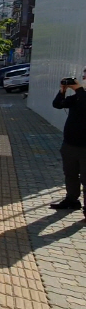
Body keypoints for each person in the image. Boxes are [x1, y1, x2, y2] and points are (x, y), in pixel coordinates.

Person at [50, 68, 86, 215]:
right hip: (70, 144)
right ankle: (72, 200)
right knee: (70, 174)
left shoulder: (82, 95)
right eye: (84, 75)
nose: (83, 77)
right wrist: (62, 90)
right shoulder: (79, 96)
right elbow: (58, 104)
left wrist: (79, 90)